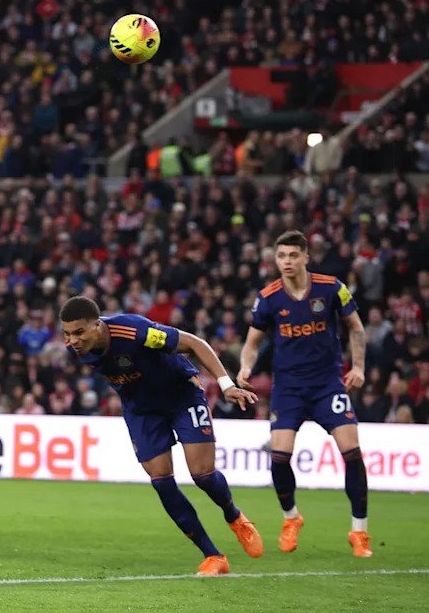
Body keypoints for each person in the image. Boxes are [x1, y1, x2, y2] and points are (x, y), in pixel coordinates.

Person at [59, 295, 263, 576]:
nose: (73, 341)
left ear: (97, 325)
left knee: (202, 474)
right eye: (67, 334)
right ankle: (214, 556)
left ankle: (234, 515)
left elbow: (193, 343)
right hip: (141, 410)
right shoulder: (78, 348)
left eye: (79, 332)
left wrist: (226, 385)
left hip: (181, 395)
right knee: (161, 482)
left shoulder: (134, 331)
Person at [238, 230, 371, 557]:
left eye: (293, 255)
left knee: (351, 452)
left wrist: (359, 367)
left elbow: (356, 326)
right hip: (289, 389)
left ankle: (359, 532)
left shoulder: (331, 288)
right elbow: (251, 343)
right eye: (281, 256)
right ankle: (291, 517)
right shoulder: (268, 297)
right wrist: (244, 368)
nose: (286, 262)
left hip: (328, 385)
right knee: (279, 456)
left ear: (306, 257)